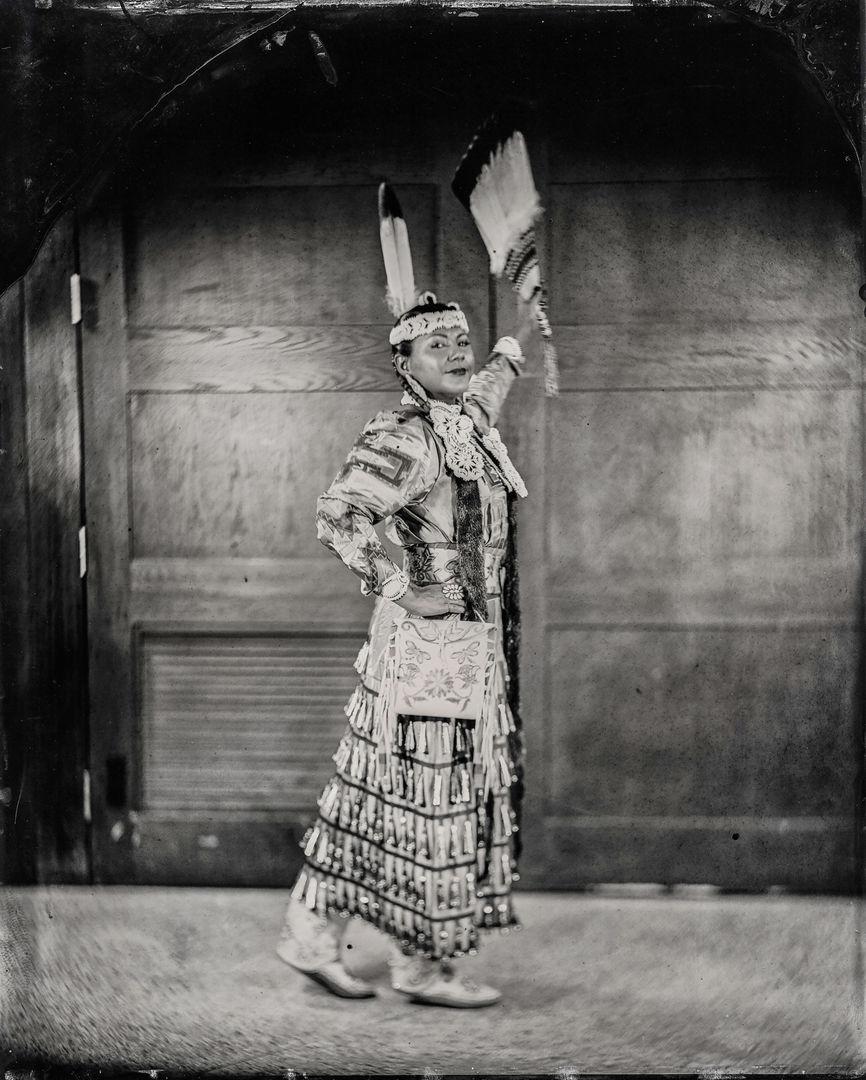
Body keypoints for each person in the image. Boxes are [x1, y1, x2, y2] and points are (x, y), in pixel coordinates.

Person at [276, 290, 536, 1007]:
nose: (457, 352)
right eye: (438, 345)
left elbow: (487, 390)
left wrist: (512, 342)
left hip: (468, 650)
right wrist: (399, 587)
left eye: (462, 339)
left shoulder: (463, 423)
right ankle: (409, 963)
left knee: (396, 797)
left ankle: (325, 938)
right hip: (429, 650)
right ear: (406, 364)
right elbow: (339, 515)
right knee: (425, 798)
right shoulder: (407, 437)